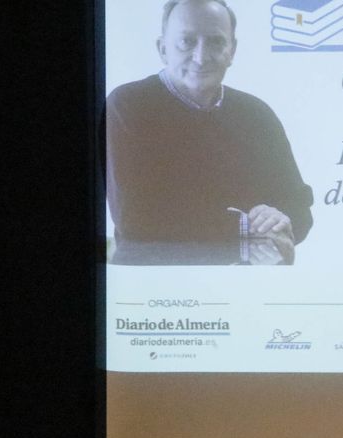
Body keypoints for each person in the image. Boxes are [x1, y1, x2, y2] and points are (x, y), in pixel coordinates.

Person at [106, 0, 313, 265]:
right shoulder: (127, 106)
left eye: (216, 41)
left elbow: (300, 213)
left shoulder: (257, 114)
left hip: (245, 288)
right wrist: (246, 224)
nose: (201, 56)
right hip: (157, 289)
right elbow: (136, 221)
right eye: (187, 41)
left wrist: (281, 218)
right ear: (162, 48)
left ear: (232, 50)